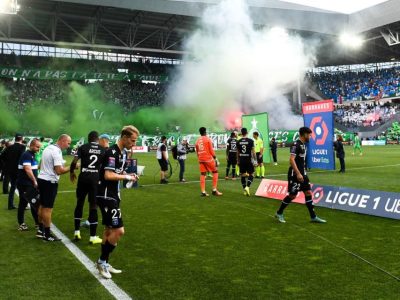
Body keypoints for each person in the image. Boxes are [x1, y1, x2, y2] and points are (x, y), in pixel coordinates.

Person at [96, 125, 140, 279]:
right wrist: (127, 177)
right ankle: (101, 262)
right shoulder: (112, 152)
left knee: (109, 230)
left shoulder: (121, 153)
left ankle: (105, 263)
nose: (133, 143)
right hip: (107, 196)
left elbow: (116, 172)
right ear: (125, 137)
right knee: (119, 231)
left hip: (112, 195)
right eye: (133, 140)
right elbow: (108, 175)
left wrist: (130, 174)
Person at [275, 127, 326, 224]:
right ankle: (279, 212)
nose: (310, 136)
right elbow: (291, 159)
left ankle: (313, 217)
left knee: (308, 193)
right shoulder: (296, 144)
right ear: (305, 134)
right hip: (295, 174)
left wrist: (303, 173)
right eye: (309, 135)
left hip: (303, 174)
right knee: (292, 195)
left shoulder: (303, 145)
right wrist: (298, 173)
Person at [70, 131, 105, 244]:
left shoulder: (83, 147)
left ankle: (76, 232)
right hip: (95, 180)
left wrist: (71, 172)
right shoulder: (102, 149)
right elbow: (104, 166)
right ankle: (93, 237)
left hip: (83, 178)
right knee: (93, 206)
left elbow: (74, 161)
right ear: (97, 139)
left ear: (88, 138)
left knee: (79, 203)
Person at [37, 134, 72, 241]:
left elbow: (40, 165)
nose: (69, 146)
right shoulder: (56, 151)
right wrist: (73, 167)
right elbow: (59, 171)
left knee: (42, 206)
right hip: (49, 182)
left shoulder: (48, 148)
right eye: (68, 143)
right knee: (48, 208)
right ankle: (47, 234)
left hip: (42, 179)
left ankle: (40, 230)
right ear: (62, 141)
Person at [16, 138, 41, 231]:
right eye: (37, 147)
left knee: (32, 202)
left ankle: (36, 223)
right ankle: (22, 224)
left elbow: (33, 168)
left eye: (39, 147)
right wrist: (34, 181)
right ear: (31, 146)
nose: (38, 149)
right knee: (26, 203)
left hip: (28, 183)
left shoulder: (32, 155)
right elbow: (27, 169)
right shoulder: (27, 155)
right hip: (25, 184)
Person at [195, 127, 222, 197]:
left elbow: (197, 151)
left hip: (201, 158)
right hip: (207, 158)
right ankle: (214, 190)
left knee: (203, 174)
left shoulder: (197, 140)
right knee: (215, 171)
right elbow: (211, 150)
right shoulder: (207, 139)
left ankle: (203, 192)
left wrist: (199, 159)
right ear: (205, 132)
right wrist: (215, 158)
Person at [1, 133, 26, 210]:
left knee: (13, 187)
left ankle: (10, 205)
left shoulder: (9, 147)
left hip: (10, 170)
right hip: (18, 171)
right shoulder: (22, 147)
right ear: (21, 139)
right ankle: (23, 205)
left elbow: (2, 156)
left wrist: (8, 164)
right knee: (22, 188)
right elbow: (22, 158)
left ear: (15, 139)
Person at [237, 128, 257, 196]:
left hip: (241, 160)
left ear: (241, 133)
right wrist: (255, 160)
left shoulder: (238, 141)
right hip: (248, 160)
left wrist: (238, 160)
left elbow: (237, 152)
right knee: (251, 174)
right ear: (247, 132)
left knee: (242, 175)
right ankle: (247, 187)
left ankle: (244, 190)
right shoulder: (251, 141)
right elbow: (253, 152)